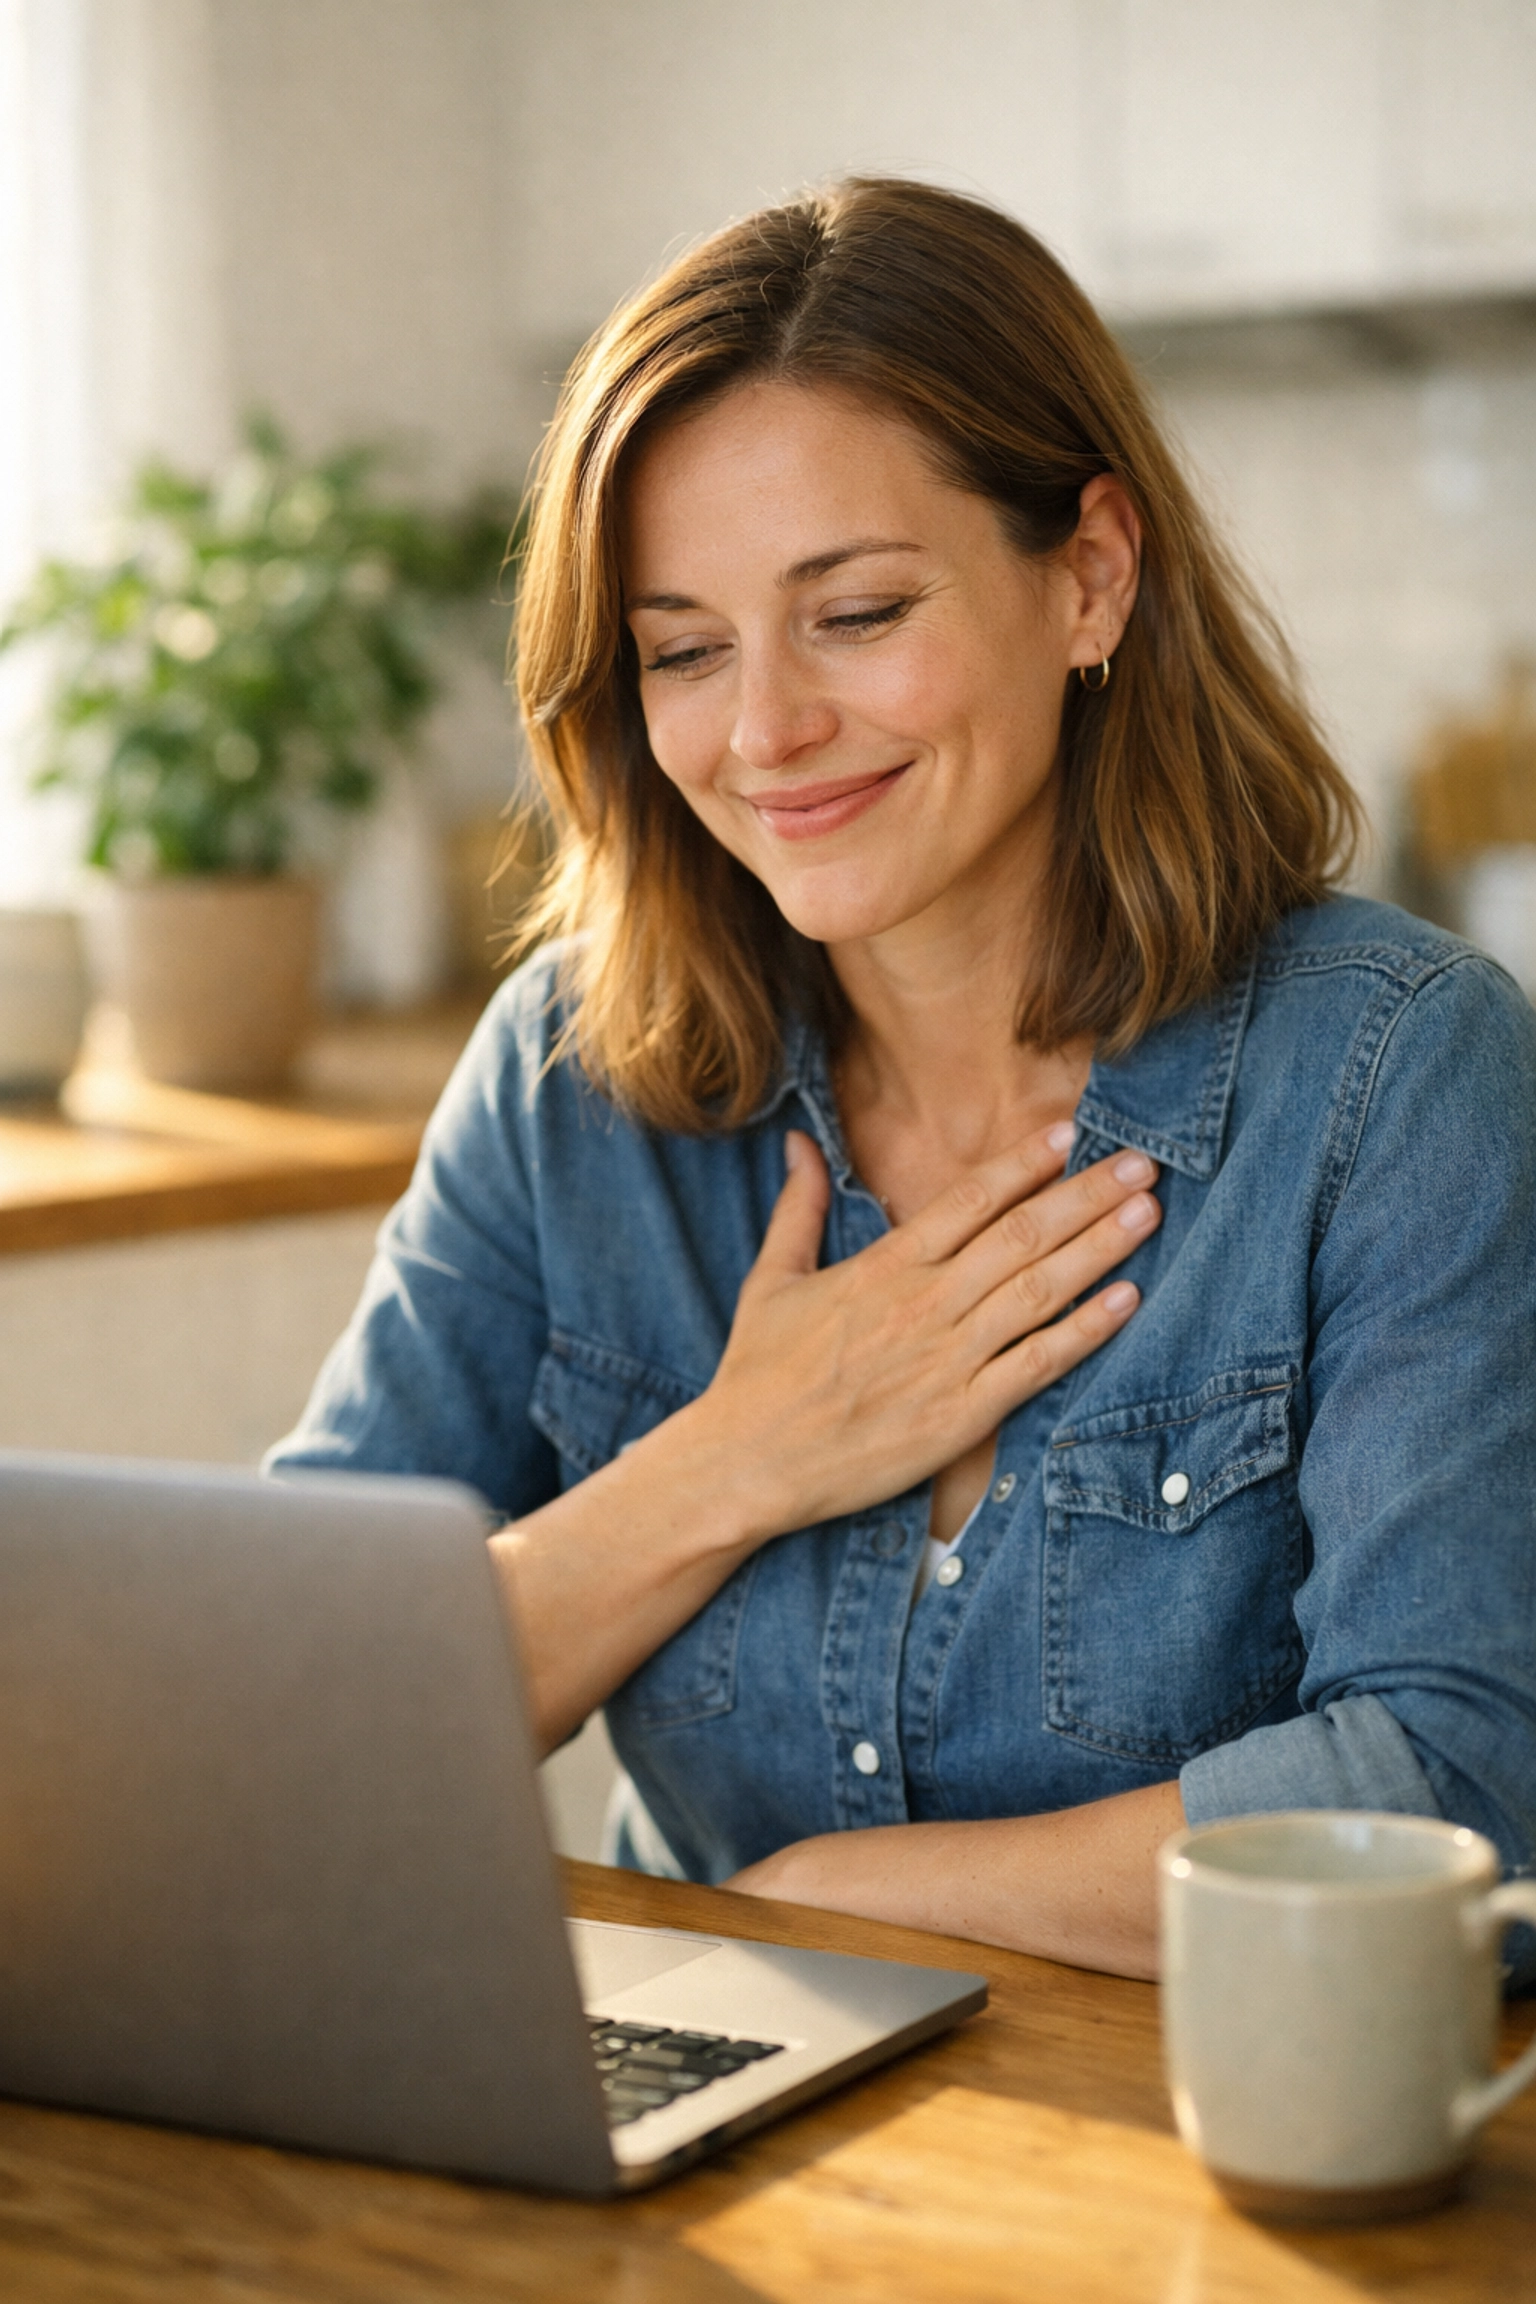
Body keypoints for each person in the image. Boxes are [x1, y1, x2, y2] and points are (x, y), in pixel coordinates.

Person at [270, 178, 1536, 1984]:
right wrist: (730, 1462)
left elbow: (1459, 1792)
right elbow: (278, 1715)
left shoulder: (1397, 1077)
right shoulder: (566, 1079)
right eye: (684, 649)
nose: (763, 731)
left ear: (1090, 575)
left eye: (854, 613)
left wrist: (825, 1906)